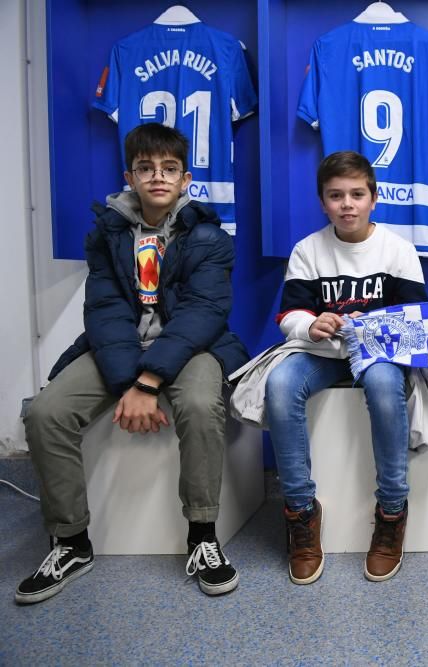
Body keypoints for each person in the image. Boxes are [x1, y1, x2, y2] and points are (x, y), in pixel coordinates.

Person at [16, 123, 248, 604]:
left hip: (191, 348)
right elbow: (104, 310)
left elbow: (202, 313)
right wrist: (130, 380)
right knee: (45, 413)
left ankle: (202, 535)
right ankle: (71, 541)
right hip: (121, 348)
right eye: (146, 168)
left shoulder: (209, 236)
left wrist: (148, 381)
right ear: (130, 176)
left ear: (185, 179)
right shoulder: (106, 234)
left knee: (203, 405)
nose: (157, 177)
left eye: (168, 169)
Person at [263, 151, 428, 585]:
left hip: (375, 356)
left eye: (357, 194)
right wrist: (311, 323)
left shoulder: (398, 250)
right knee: (279, 385)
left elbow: (416, 323)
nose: (347, 204)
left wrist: (373, 329)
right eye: (336, 196)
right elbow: (288, 317)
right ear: (322, 202)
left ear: (374, 198)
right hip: (320, 356)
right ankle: (299, 511)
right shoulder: (308, 250)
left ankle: (392, 509)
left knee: (382, 385)